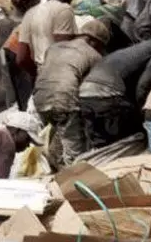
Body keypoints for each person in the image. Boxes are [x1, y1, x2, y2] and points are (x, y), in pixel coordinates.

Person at [77, 30, 151, 148]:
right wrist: (144, 111)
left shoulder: (137, 49)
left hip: (85, 93)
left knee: (99, 145)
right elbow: (143, 85)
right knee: (130, 139)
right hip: (107, 93)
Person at [33, 22, 109, 166]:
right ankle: (71, 179)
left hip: (40, 99)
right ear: (93, 40)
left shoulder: (54, 47)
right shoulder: (94, 55)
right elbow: (92, 88)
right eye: (100, 46)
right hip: (64, 101)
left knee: (60, 131)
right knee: (74, 151)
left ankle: (54, 165)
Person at [13, 0, 79, 78]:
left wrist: (37, 74)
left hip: (40, 76)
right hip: (58, 77)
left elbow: (21, 58)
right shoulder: (64, 9)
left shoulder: (30, 13)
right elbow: (62, 52)